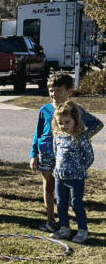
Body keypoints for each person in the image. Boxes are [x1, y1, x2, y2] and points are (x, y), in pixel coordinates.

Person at [30, 72, 102, 232]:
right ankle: (51, 220)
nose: (54, 94)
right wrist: (33, 154)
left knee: (65, 191)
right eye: (51, 90)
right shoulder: (45, 110)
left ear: (68, 91)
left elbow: (96, 125)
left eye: (58, 90)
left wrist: (78, 138)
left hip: (66, 157)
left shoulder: (76, 110)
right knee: (48, 186)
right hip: (46, 153)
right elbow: (37, 133)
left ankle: (65, 222)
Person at [51, 101, 95, 243]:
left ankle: (83, 230)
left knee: (76, 204)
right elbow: (56, 153)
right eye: (60, 122)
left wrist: (79, 168)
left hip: (76, 178)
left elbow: (89, 156)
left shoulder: (80, 137)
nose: (63, 125)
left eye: (67, 122)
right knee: (60, 203)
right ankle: (64, 228)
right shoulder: (57, 136)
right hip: (60, 176)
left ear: (75, 120)